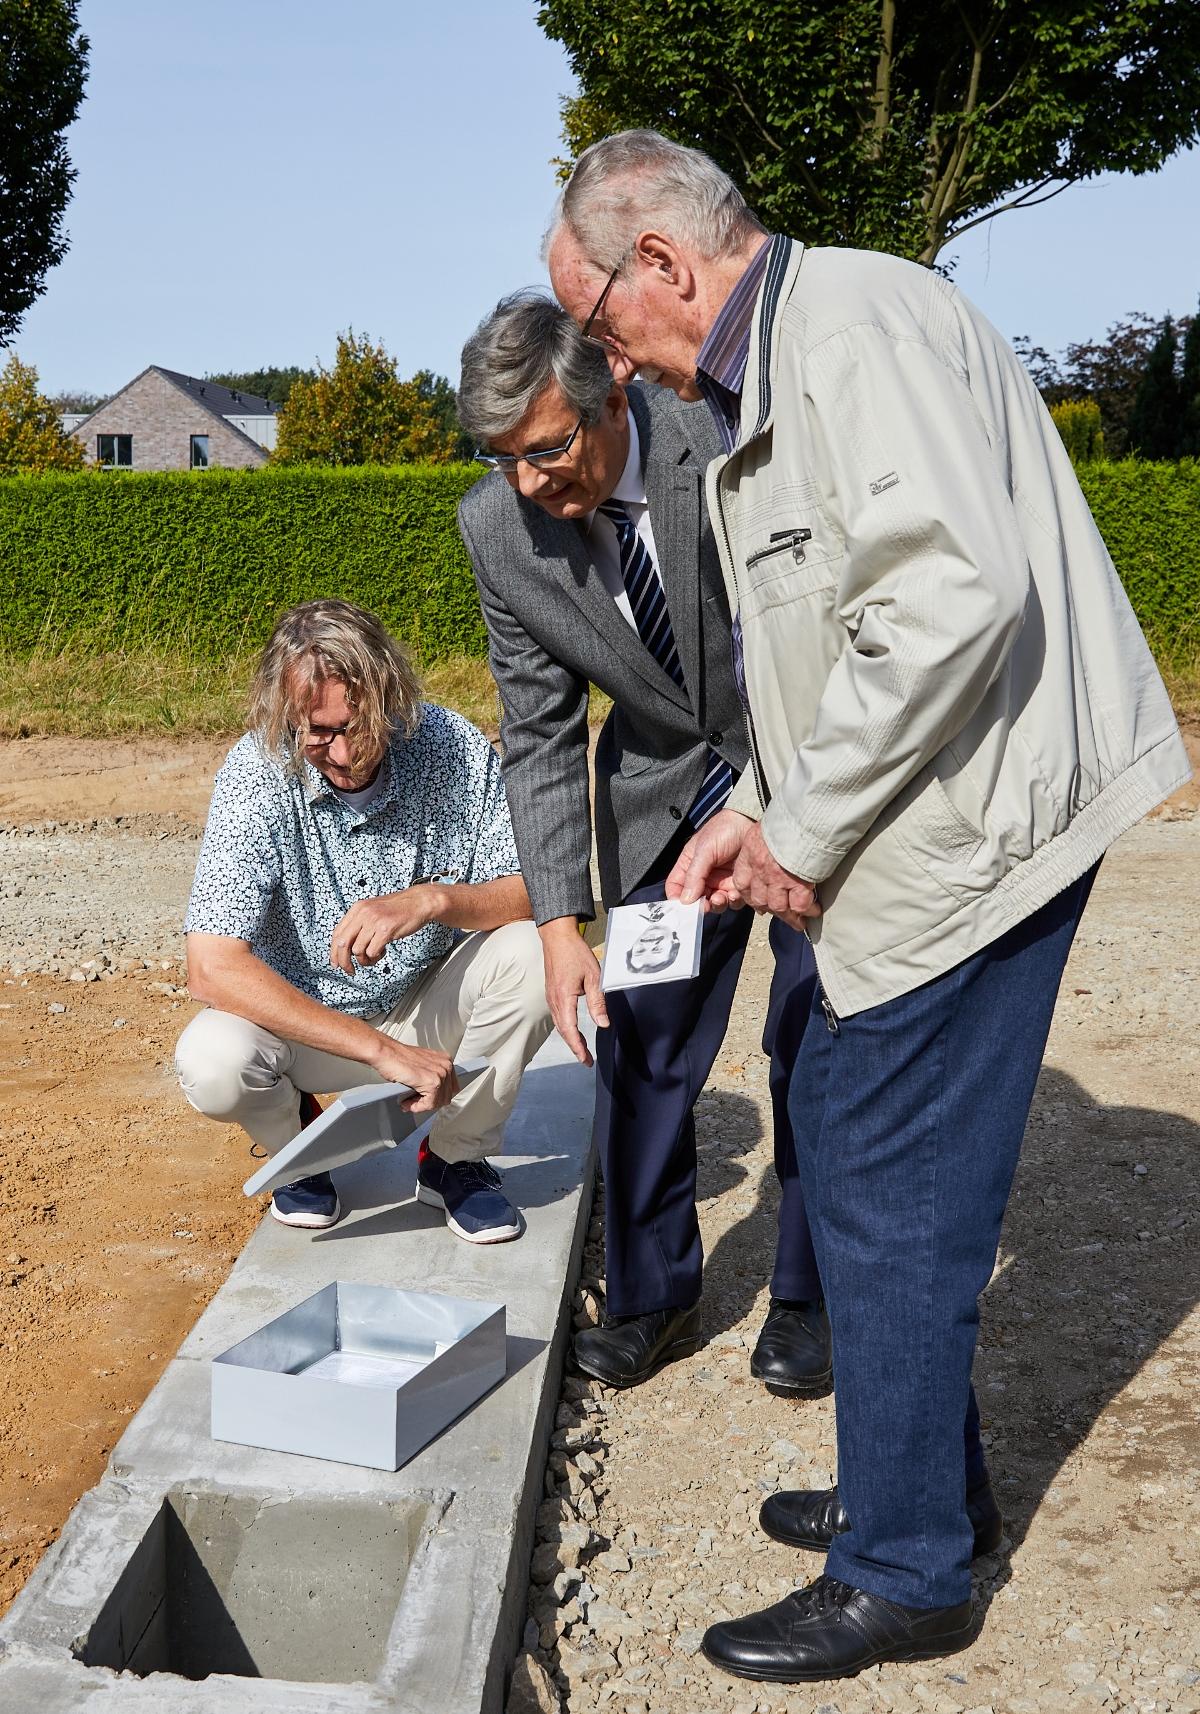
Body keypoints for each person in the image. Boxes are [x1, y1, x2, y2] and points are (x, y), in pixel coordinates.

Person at [547, 130, 1190, 1681]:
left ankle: (908, 1569)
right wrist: (758, 812)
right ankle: (918, 1484)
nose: (604, 359)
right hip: (923, 811)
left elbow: (947, 596)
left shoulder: (851, 334)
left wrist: (800, 832)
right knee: (837, 1120)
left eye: (599, 320)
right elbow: (834, 635)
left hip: (968, 831)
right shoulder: (790, 358)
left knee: (887, 1182)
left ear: (662, 265)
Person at [456, 293, 829, 1393]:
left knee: (813, 1027)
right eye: (502, 459)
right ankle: (653, 1293)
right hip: (661, 792)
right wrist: (560, 918)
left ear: (608, 389)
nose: (530, 483)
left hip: (799, 767)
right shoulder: (497, 529)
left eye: (547, 449)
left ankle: (809, 1294)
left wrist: (781, 802)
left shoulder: (717, 434)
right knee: (642, 1040)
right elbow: (538, 728)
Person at [175, 599, 553, 1245]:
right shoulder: (256, 773)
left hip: (426, 1008)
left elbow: (533, 891)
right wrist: (379, 1050)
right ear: (282, 714)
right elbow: (210, 967)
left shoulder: (449, 745)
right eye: (318, 732)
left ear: (392, 694)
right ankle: (300, 1147)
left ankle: (454, 1159)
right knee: (212, 1061)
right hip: (307, 1029)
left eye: (361, 724)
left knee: (541, 953)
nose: (345, 752)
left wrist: (432, 899)